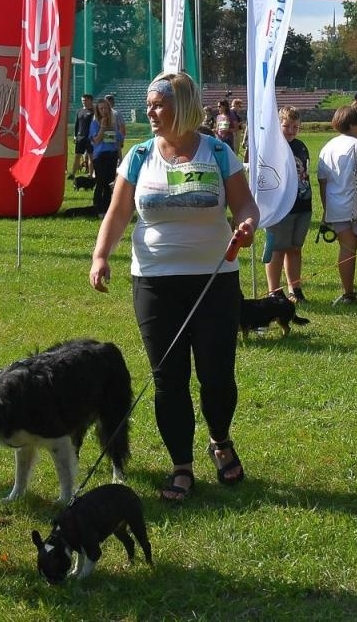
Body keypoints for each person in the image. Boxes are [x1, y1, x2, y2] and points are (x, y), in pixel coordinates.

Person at [89, 72, 257, 505]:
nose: (149, 111)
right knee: (169, 379)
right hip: (155, 282)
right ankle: (181, 464)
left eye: (158, 104)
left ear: (181, 106)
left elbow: (245, 204)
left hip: (215, 281)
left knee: (217, 374)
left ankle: (220, 441)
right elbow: (118, 211)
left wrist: (248, 223)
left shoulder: (218, 152)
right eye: (148, 104)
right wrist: (101, 255)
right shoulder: (139, 156)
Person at [317, 105, 357, 304]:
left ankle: (348, 293)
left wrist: (326, 209)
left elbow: (322, 182)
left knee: (346, 249)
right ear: (353, 124)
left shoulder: (327, 147)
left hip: (336, 206)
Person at [264, 106, 312, 302]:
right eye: (286, 126)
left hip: (302, 205)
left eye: (295, 126)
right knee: (278, 249)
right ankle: (274, 290)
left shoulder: (301, 146)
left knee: (295, 248)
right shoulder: (272, 147)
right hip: (281, 207)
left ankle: (295, 288)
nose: (291, 130)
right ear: (278, 125)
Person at [89, 97, 123, 215]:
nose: (104, 111)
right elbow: (97, 141)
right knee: (101, 182)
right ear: (97, 111)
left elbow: (118, 141)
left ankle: (107, 208)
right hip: (100, 156)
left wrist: (120, 157)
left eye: (105, 108)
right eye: (101, 109)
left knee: (110, 183)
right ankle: (98, 207)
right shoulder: (94, 124)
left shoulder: (113, 124)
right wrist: (102, 127)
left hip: (112, 155)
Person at [73, 93, 95, 177]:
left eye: (86, 100)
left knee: (90, 156)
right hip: (80, 137)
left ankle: (91, 173)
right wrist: (75, 136)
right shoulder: (79, 111)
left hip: (90, 138)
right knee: (77, 155)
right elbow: (77, 124)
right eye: (82, 100)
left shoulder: (94, 111)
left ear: (90, 101)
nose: (84, 102)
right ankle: (73, 174)